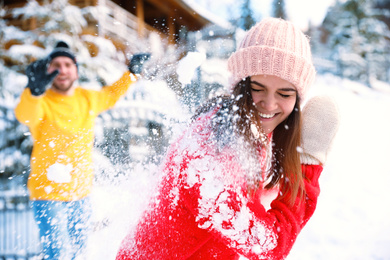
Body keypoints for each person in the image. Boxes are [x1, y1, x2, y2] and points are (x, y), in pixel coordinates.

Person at [115, 17, 340, 260]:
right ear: (241, 85)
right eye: (258, 88)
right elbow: (267, 244)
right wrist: (307, 165)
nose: (270, 103)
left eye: (284, 93)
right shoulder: (208, 156)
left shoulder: (245, 129)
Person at [14, 41, 150, 260]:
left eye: (68, 64)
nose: (62, 69)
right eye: (56, 64)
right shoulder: (42, 101)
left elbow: (112, 94)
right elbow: (25, 115)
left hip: (81, 193)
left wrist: (132, 73)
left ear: (76, 70)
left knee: (79, 254)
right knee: (58, 254)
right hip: (48, 195)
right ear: (48, 71)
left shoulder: (87, 98)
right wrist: (34, 92)